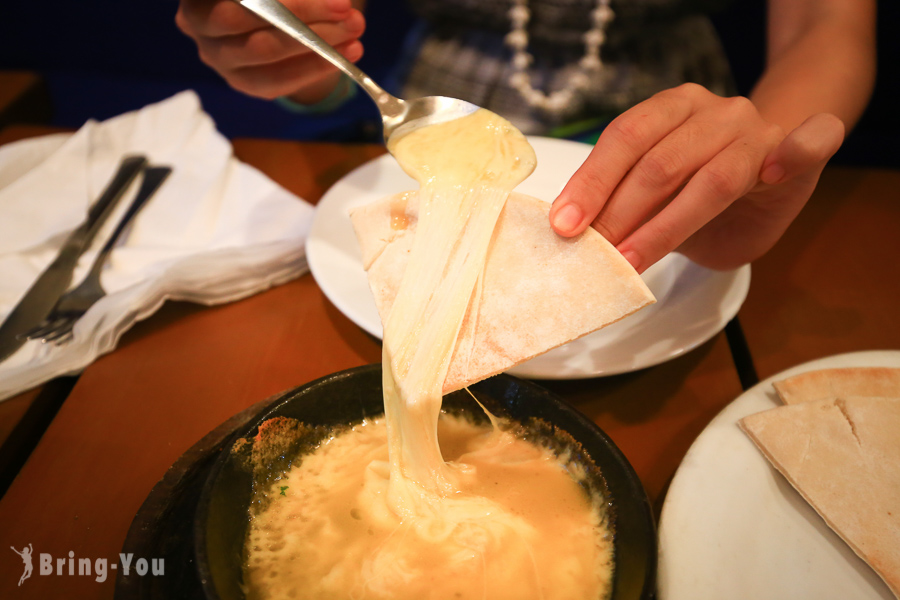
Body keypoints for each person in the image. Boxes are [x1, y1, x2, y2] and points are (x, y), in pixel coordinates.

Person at [175, 0, 876, 273]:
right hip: (428, 115)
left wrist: (759, 157)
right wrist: (296, 59)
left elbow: (827, 25)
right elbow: (326, 34)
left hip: (682, 124)